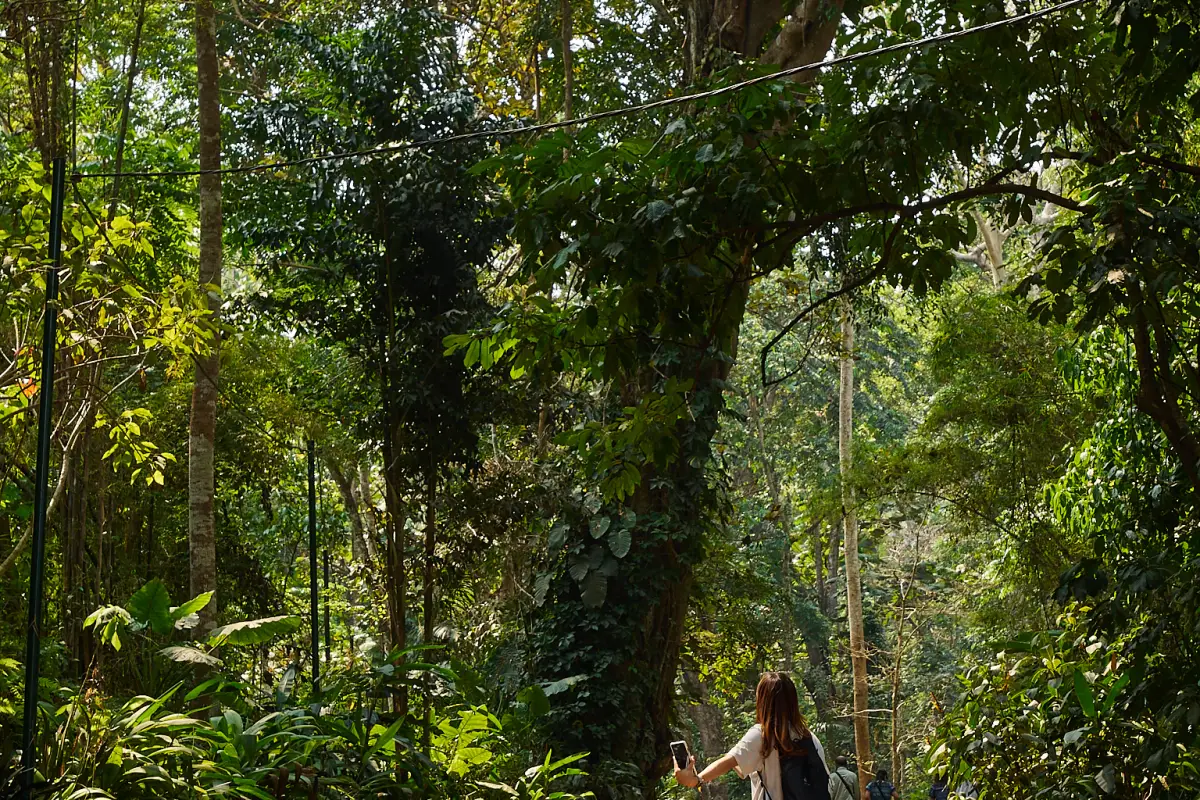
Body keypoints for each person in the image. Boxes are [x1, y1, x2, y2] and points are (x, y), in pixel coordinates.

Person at [674, 672, 830, 800]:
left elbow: (727, 763)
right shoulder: (809, 737)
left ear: (762, 701)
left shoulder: (763, 735)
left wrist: (695, 780)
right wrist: (738, 754)